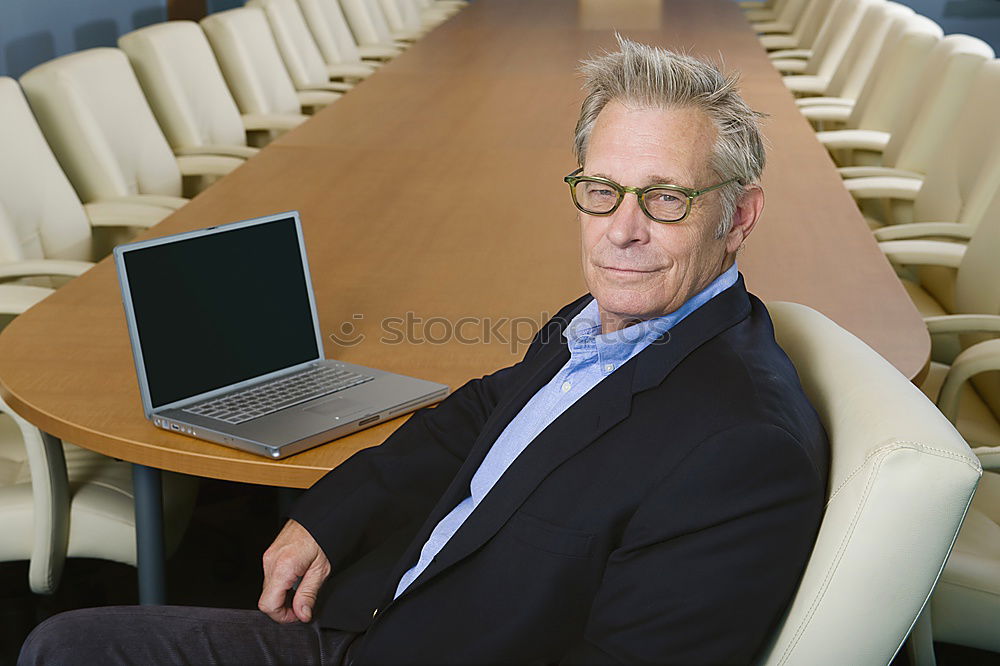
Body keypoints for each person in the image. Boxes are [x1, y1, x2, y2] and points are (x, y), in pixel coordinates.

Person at [19, 37, 828, 665]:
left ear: (740, 215)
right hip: (373, 614)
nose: (622, 229)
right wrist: (331, 520)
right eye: (602, 190)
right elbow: (485, 406)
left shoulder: (742, 453)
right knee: (61, 646)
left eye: (665, 198)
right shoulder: (609, 326)